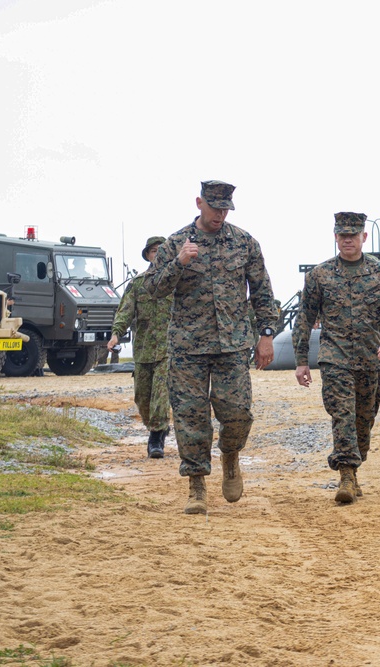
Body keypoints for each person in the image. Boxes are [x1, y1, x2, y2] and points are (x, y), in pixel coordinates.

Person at [145, 180, 277, 515]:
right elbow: (152, 289)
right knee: (191, 417)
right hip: (187, 346)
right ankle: (197, 486)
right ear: (199, 203)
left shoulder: (245, 242)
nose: (219, 215)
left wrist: (266, 334)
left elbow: (262, 291)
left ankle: (230, 456)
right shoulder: (177, 243)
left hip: (232, 345)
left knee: (237, 413)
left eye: (225, 209)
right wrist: (178, 264)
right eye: (214, 207)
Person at [294, 212, 380, 504]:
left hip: (371, 359)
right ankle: (345, 473)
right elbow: (304, 319)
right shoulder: (320, 275)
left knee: (363, 420)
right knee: (342, 414)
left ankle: (355, 465)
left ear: (363, 238)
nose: (347, 240)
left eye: (353, 236)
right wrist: (301, 360)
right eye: (342, 235)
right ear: (335, 237)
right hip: (335, 358)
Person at [108, 236, 174, 458]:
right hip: (144, 350)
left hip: (169, 350)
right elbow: (125, 311)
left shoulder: (177, 283)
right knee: (142, 398)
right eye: (154, 251)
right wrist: (116, 333)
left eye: (161, 250)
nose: (157, 254)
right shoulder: (138, 284)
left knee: (160, 395)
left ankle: (156, 438)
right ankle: (159, 427)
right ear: (147, 255)